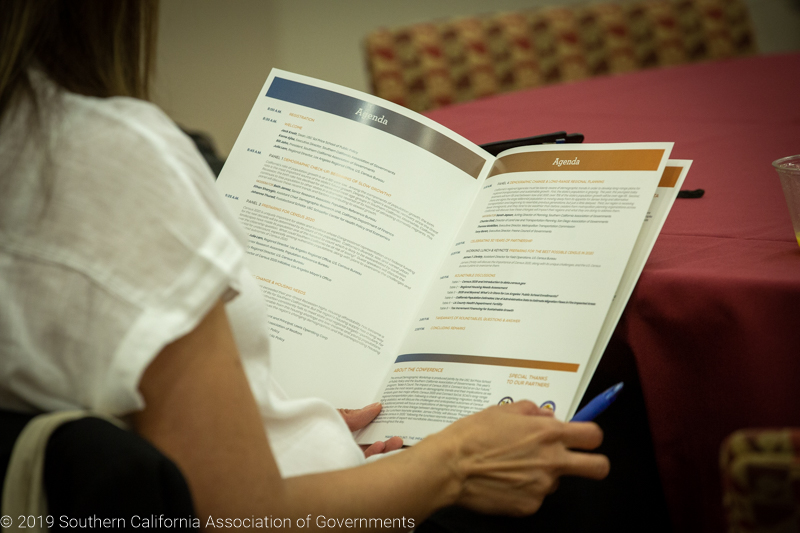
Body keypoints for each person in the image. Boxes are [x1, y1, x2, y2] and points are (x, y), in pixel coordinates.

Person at [0, 0, 609, 529]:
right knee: (590, 455)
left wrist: (280, 428)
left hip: (309, 477)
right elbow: (238, 518)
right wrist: (455, 463)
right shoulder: (98, 152)